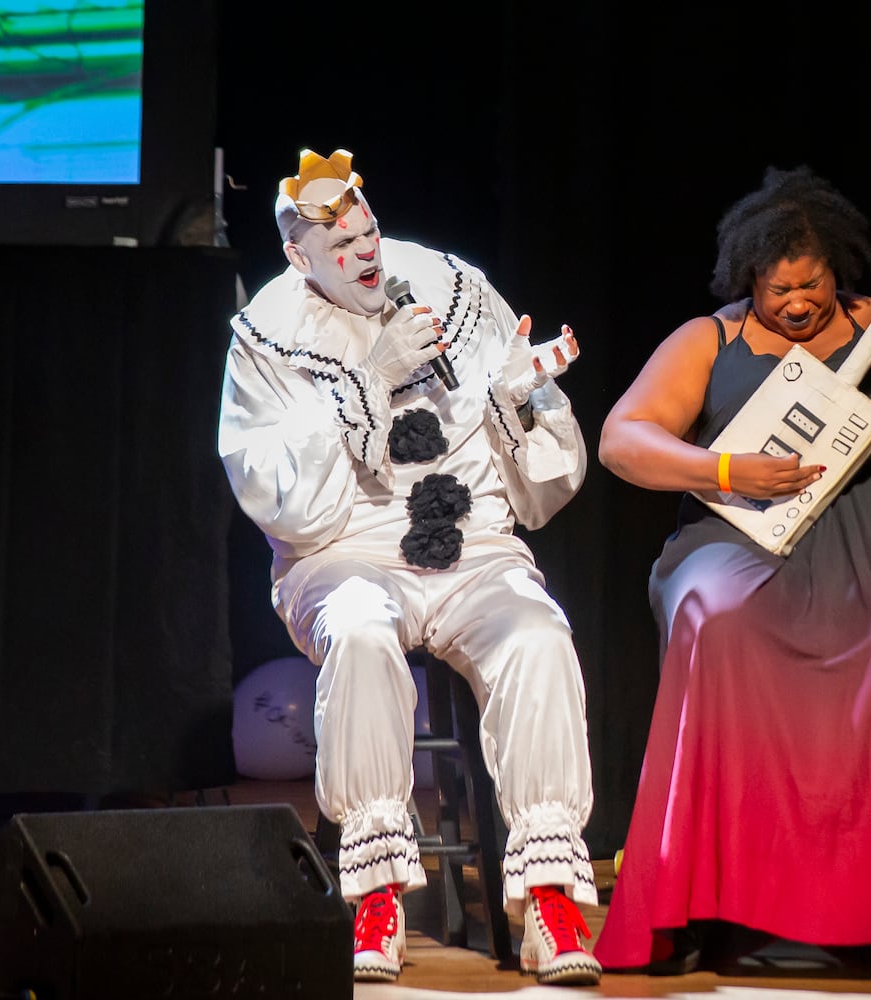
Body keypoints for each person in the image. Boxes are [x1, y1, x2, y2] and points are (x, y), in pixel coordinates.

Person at [592, 165, 871, 981]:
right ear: (745, 280)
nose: (796, 303)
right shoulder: (711, 338)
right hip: (739, 532)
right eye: (777, 290)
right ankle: (711, 906)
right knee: (718, 617)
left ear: (838, 268)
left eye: (812, 284)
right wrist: (724, 468)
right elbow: (622, 440)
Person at [217, 148, 603, 986]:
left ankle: (548, 894)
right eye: (342, 245)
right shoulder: (268, 333)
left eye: (370, 233)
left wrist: (520, 393)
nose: (365, 254)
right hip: (343, 551)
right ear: (299, 257)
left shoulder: (449, 286)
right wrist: (372, 377)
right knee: (358, 629)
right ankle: (377, 892)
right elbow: (280, 498)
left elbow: (539, 475)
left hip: (473, 545)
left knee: (537, 635)